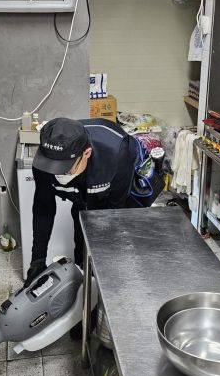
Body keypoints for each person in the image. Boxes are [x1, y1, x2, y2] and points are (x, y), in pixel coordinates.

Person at [24, 116, 140, 286]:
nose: (57, 174)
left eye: (65, 169)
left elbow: (116, 210)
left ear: (86, 153)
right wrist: (37, 260)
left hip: (113, 201)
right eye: (53, 167)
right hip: (81, 201)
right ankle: (82, 275)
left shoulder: (118, 152)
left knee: (104, 261)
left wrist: (102, 258)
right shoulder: (44, 162)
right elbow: (44, 208)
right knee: (80, 236)